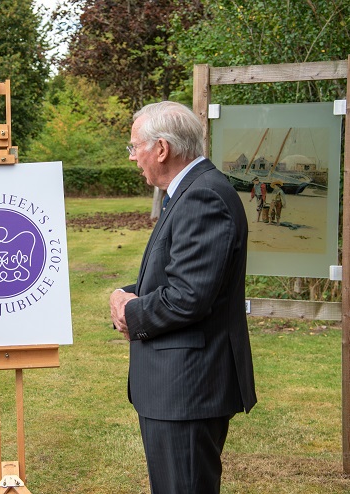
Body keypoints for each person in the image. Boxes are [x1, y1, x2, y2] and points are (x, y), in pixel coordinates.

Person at [109, 101, 257, 494]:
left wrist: (132, 312)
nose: (132, 157)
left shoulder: (202, 196)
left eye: (133, 146)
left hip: (188, 388)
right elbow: (181, 274)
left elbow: (189, 296)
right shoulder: (189, 191)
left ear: (161, 149)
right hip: (178, 387)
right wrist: (129, 293)